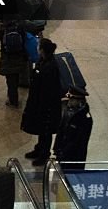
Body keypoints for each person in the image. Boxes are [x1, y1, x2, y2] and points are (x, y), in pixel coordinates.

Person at [21, 38, 62, 166]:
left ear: (43, 50)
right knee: (41, 128)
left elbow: (48, 89)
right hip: (38, 100)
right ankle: (39, 149)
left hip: (47, 105)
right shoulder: (43, 61)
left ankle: (44, 154)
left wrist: (41, 105)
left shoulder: (51, 67)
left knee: (46, 130)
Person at [54, 86, 92, 170]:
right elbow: (61, 130)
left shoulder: (85, 118)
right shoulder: (68, 111)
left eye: (71, 100)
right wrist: (56, 148)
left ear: (79, 101)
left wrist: (64, 152)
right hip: (62, 152)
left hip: (74, 156)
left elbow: (78, 140)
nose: (69, 102)